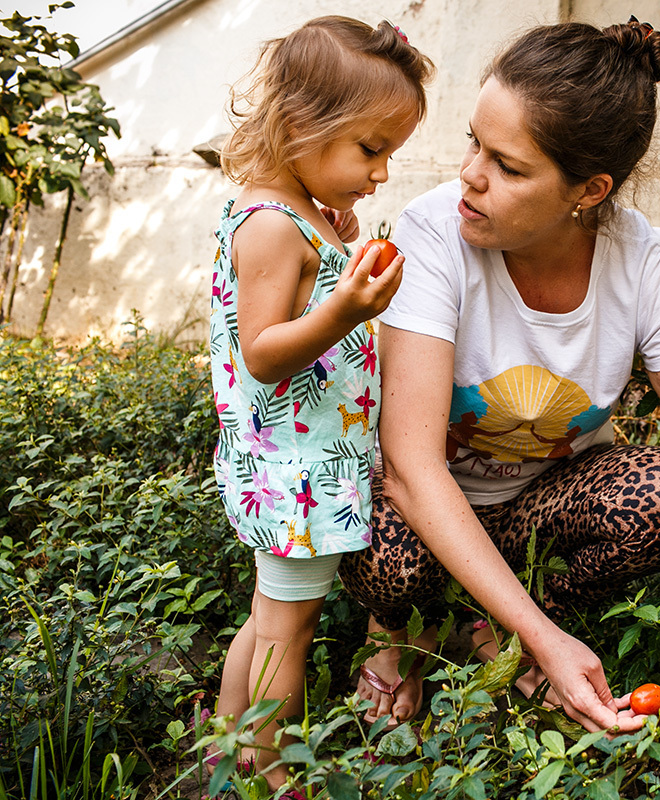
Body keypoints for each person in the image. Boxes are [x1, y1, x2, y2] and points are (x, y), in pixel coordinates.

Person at [339, 17, 660, 737]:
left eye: (509, 167)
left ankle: (503, 624)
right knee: (386, 558)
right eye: (475, 143)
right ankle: (412, 631)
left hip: (538, 508)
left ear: (588, 190)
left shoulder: (643, 262)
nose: (471, 176)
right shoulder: (431, 233)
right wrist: (544, 640)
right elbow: (412, 469)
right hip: (422, 508)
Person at [207, 15, 433, 788]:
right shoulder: (274, 228)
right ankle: (269, 770)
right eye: (371, 150)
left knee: (271, 615)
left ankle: (226, 738)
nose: (381, 172)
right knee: (286, 631)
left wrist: (338, 236)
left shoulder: (291, 212)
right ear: (301, 126)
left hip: (299, 465)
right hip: (295, 472)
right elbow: (264, 353)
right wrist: (345, 311)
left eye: (389, 154)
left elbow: (306, 276)